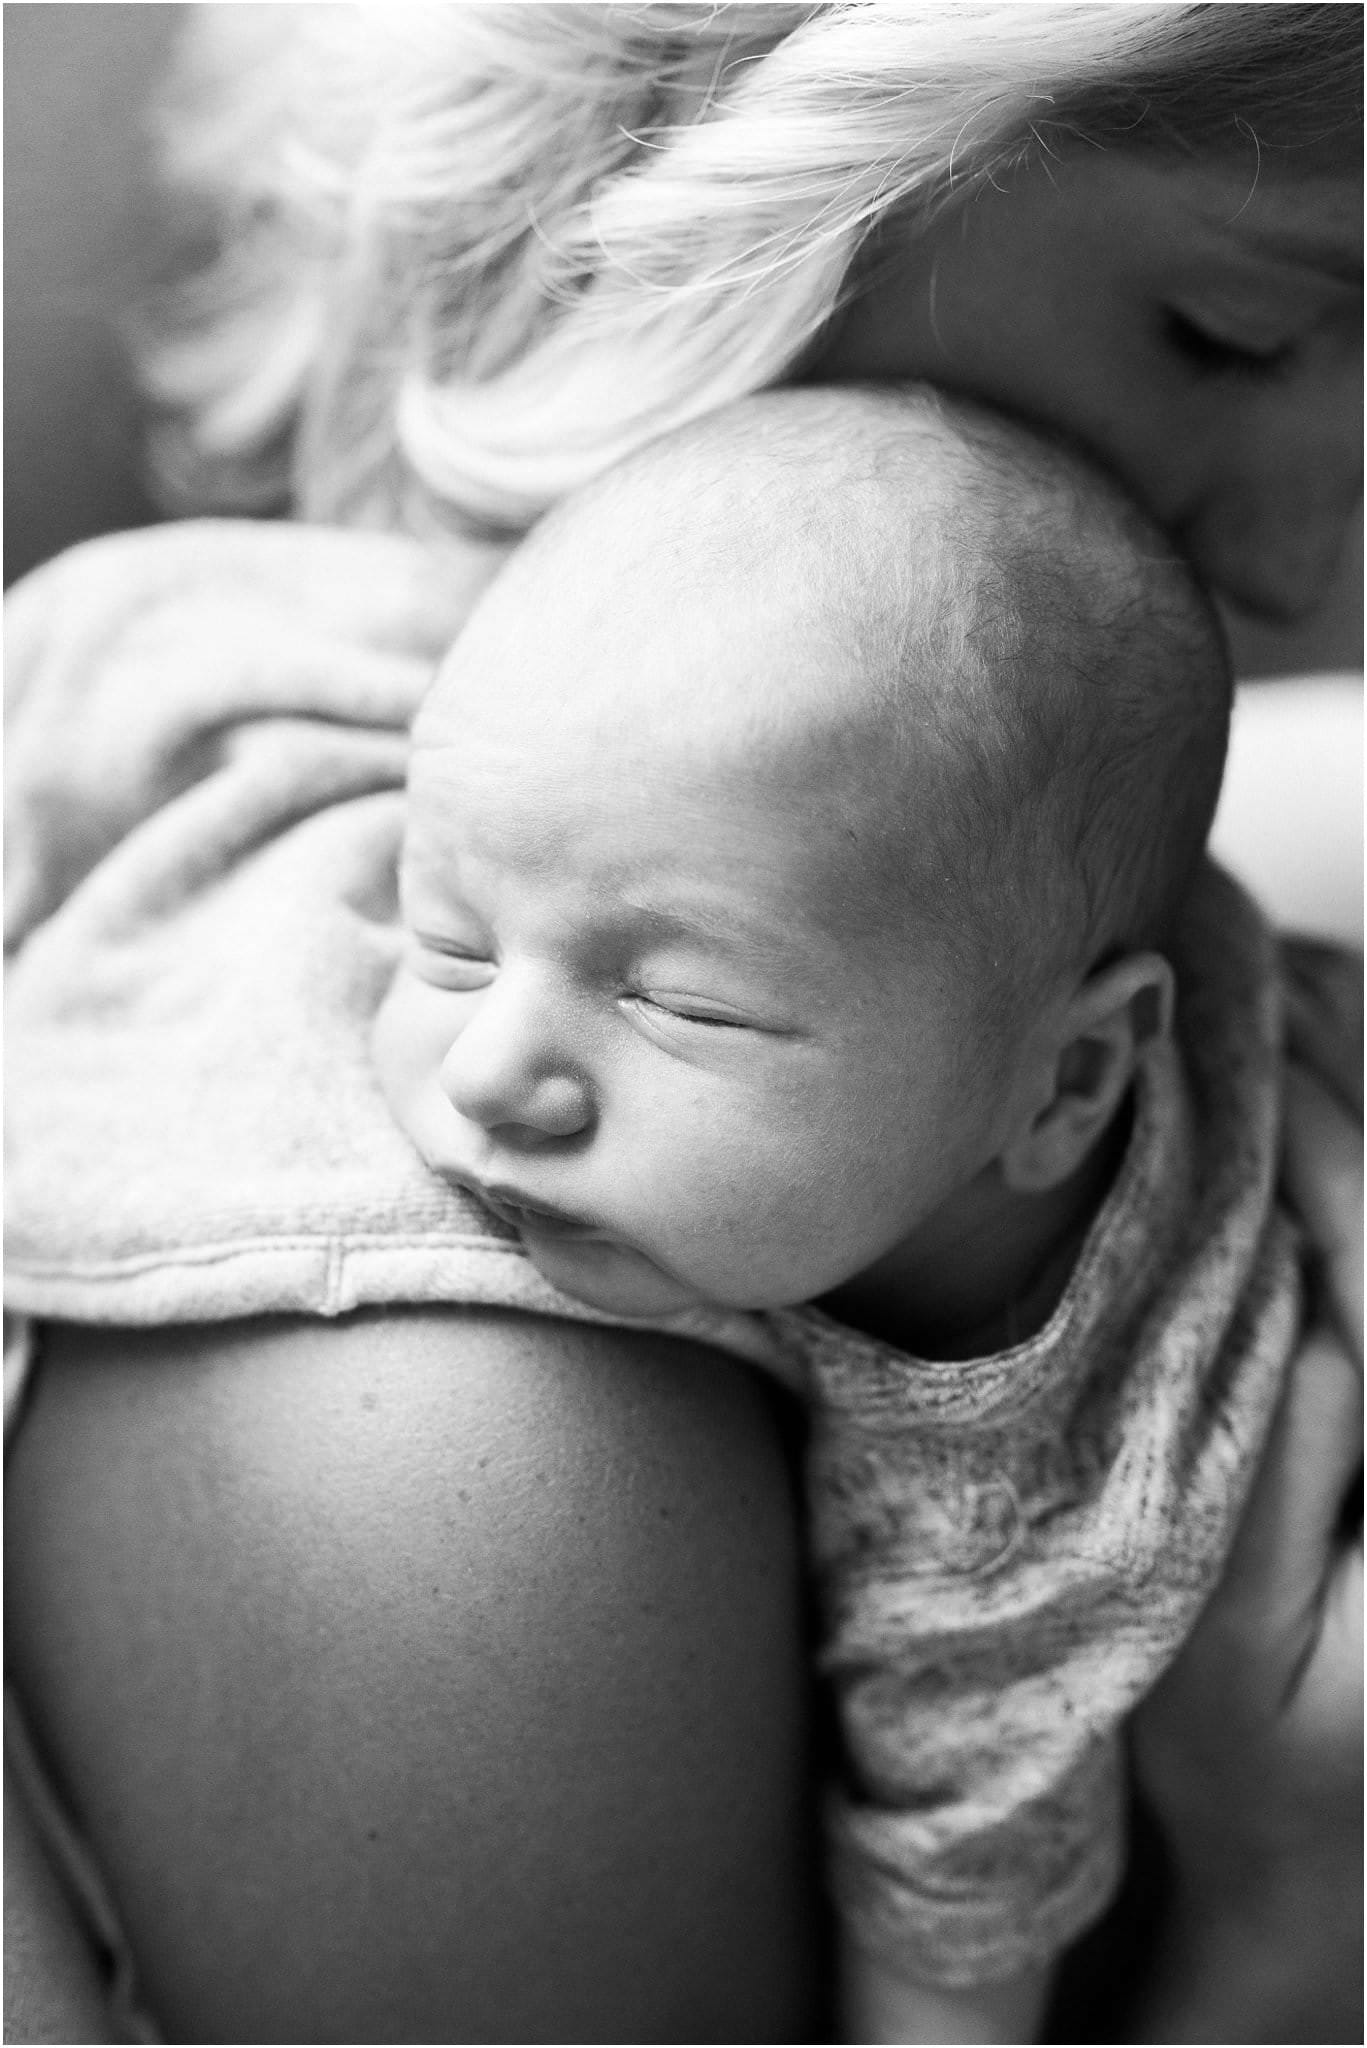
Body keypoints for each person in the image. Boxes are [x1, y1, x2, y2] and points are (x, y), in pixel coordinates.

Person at [5, 5, 1361, 2042]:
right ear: (684, 149)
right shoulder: (434, 1434)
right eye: (1237, 331)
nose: (1301, 562)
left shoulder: (1007, 897)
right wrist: (1283, 1937)